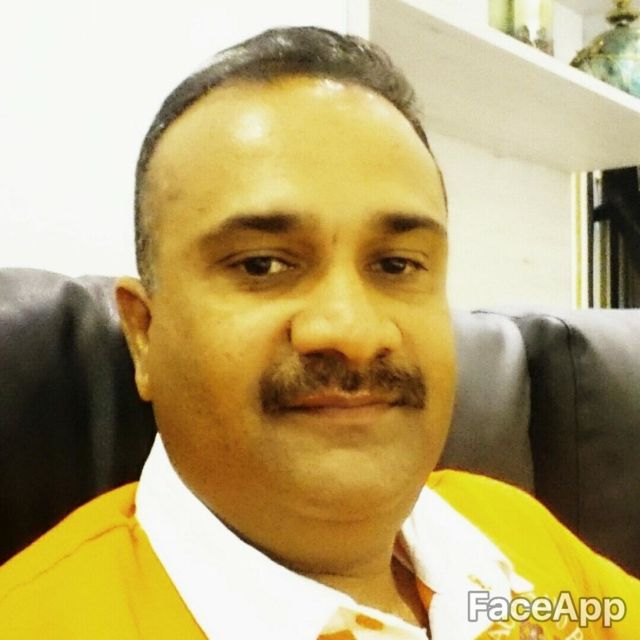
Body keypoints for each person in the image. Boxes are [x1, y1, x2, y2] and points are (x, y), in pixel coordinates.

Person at [0, 26, 638, 640]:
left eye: (396, 265)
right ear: (144, 334)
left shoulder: (512, 536)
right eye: (262, 265)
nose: (353, 331)